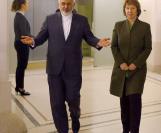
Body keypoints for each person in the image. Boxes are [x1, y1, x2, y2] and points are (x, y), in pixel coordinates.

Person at [20, 0, 110, 132]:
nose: (65, 6)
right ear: (58, 3)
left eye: (68, 3)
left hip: (73, 69)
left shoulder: (82, 20)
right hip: (54, 70)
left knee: (73, 100)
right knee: (56, 104)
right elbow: (40, 38)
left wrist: (98, 42)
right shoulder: (50, 20)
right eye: (63, 3)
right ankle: (63, 130)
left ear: (73, 4)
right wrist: (33, 41)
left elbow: (89, 37)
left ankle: (75, 116)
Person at [110, 0, 152, 133]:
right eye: (127, 8)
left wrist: (136, 63)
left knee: (134, 101)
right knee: (124, 103)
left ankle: (134, 130)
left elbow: (147, 48)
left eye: (132, 8)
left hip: (137, 71)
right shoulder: (118, 26)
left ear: (137, 10)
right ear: (124, 10)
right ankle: (125, 129)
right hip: (121, 70)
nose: (129, 11)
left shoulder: (145, 27)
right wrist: (120, 62)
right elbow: (114, 46)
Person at [11, 0, 31, 96]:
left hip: (19, 43)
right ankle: (20, 88)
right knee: (22, 66)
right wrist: (35, 38)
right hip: (22, 43)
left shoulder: (19, 16)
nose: (28, 5)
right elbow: (24, 34)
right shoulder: (20, 17)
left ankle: (18, 87)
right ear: (22, 5)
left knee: (20, 66)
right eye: (27, 3)